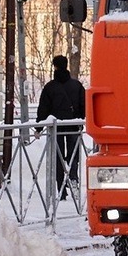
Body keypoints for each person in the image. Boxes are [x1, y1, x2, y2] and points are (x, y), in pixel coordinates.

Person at [36, 55, 86, 200]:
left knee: (57, 157)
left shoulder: (50, 87)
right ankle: (73, 179)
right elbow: (84, 105)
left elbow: (43, 108)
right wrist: (80, 120)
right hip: (73, 126)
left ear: (55, 67)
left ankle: (61, 190)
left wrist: (38, 128)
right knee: (73, 156)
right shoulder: (76, 86)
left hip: (55, 127)